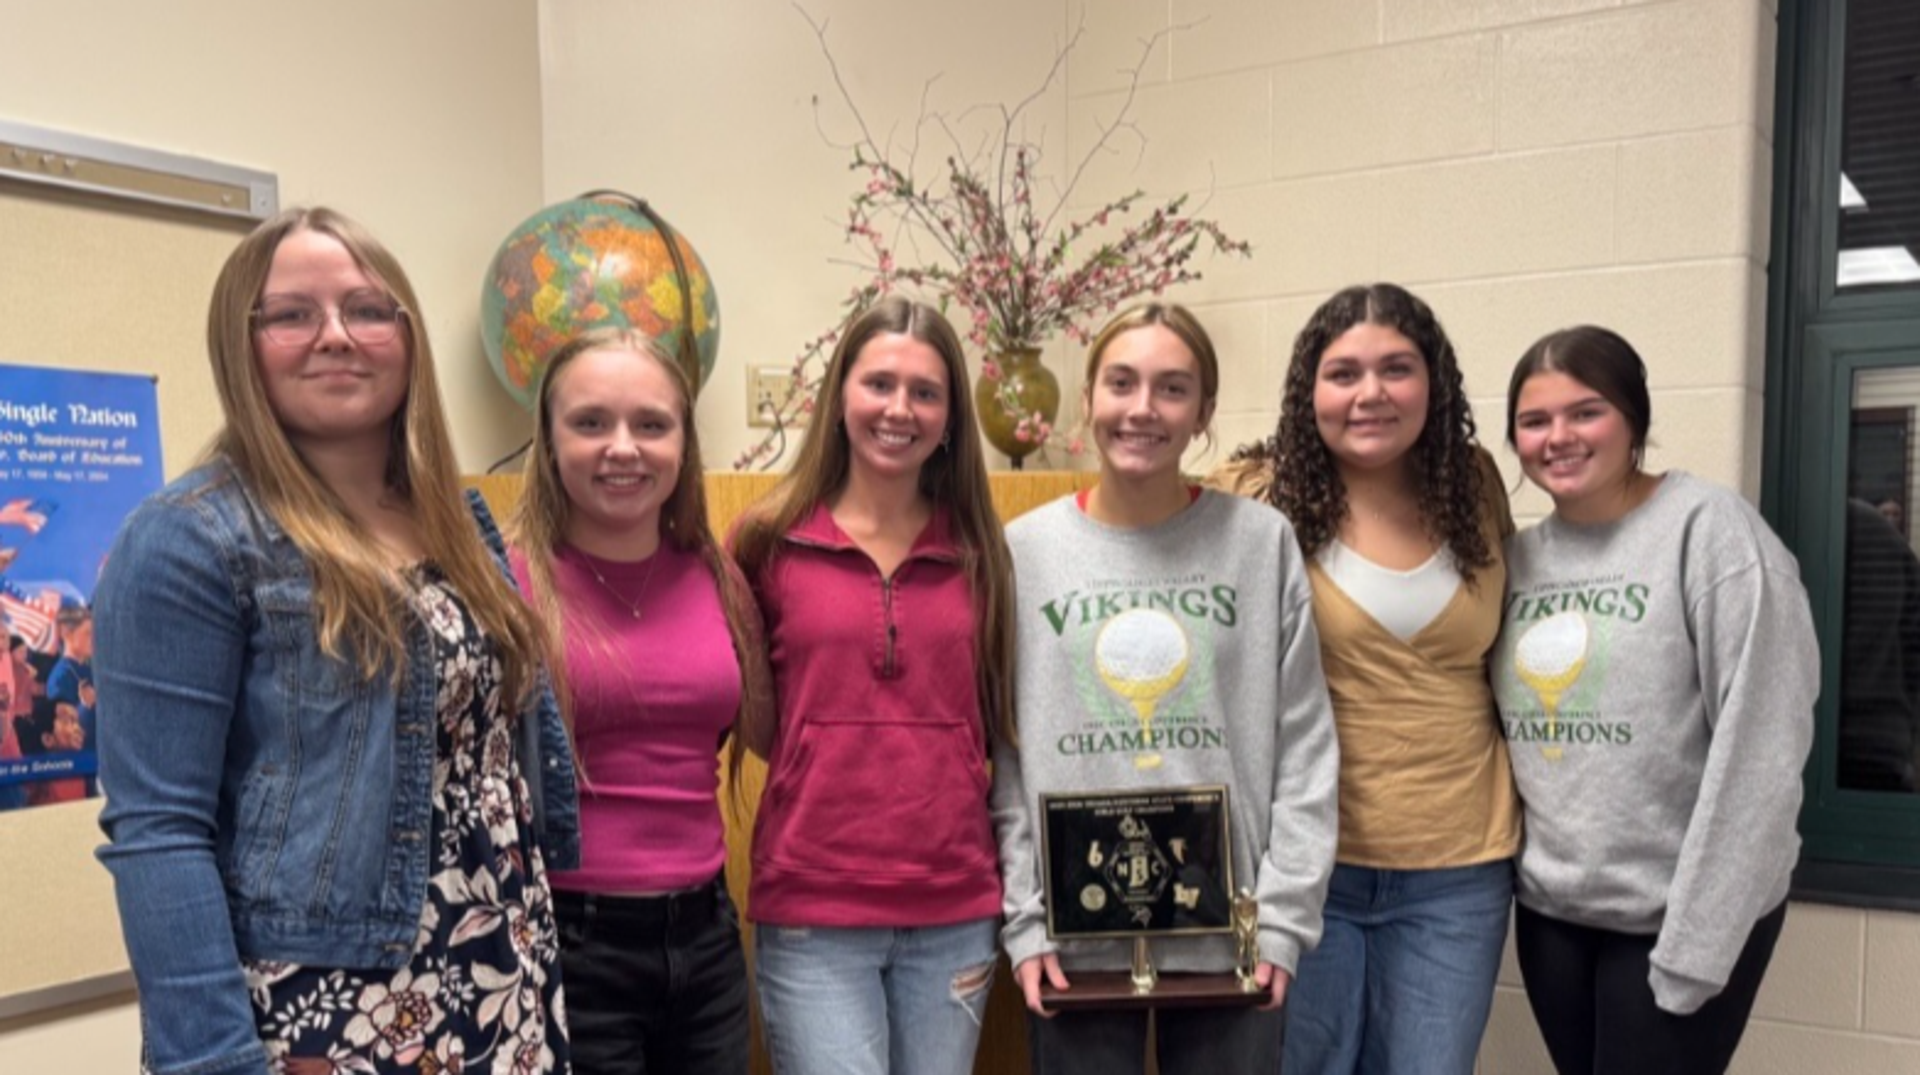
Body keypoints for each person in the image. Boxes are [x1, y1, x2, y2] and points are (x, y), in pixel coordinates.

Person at [92, 206, 579, 1075]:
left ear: (407, 334)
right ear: (240, 343)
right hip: (331, 1010)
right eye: (291, 313)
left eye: (366, 309)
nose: (335, 335)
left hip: (501, 975)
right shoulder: (187, 540)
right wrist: (213, 1062)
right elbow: (159, 834)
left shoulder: (459, 523)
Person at [990, 302, 1339, 1075]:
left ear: (1204, 411)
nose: (1143, 407)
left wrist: (1283, 919)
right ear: (1088, 398)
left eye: (1172, 388)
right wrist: (1026, 918)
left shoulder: (1261, 542)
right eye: (1121, 382)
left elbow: (1307, 747)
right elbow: (1005, 755)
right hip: (1073, 940)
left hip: (1231, 938)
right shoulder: (1023, 552)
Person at [1208, 283, 1518, 1074]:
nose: (1370, 392)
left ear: (1434, 382)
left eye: (1396, 369)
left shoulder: (1473, 484)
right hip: (1306, 869)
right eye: (1343, 373)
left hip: (1458, 868)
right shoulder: (1254, 495)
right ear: (1307, 390)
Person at [1494, 325, 1816, 1075]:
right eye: (1535, 420)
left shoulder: (1710, 532)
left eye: (1586, 412)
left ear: (1634, 418)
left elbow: (1763, 746)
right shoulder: (1519, 560)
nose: (1559, 437)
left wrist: (1696, 946)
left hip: (1681, 913)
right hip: (1554, 917)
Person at [729, 296, 1015, 1075]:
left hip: (953, 907)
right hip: (814, 910)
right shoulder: (765, 540)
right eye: (879, 384)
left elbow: (998, 719)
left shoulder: (984, 551)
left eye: (925, 392)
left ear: (950, 416)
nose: (899, 409)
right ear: (839, 397)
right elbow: (757, 716)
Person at [508, 327, 771, 1074]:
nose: (622, 447)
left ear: (684, 444)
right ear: (549, 440)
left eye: (651, 424)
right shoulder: (509, 582)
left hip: (706, 934)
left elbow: (770, 731)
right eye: (590, 422)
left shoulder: (717, 574)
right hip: (570, 937)